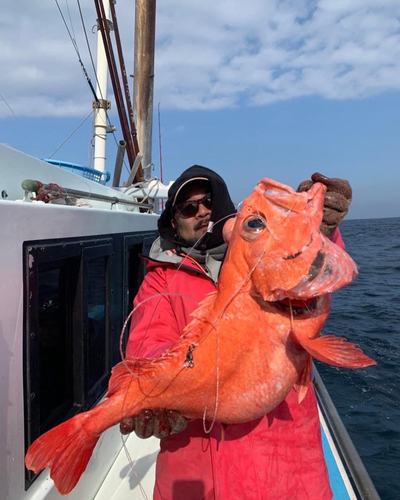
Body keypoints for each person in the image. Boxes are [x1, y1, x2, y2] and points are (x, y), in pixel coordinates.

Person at [123, 165, 352, 500]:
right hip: (196, 466)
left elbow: (310, 276)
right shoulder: (160, 279)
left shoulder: (261, 251)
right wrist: (156, 398)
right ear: (174, 222)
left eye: (209, 201)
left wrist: (322, 231)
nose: (201, 211)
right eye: (188, 208)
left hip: (288, 462)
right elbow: (147, 347)